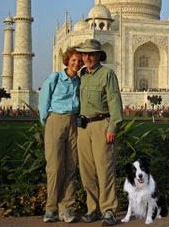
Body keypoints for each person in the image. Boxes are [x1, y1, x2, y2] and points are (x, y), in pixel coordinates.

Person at [76, 39, 123, 226]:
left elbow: (114, 100)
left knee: (105, 170)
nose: (87, 57)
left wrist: (112, 127)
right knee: (87, 172)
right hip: (83, 127)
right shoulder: (82, 75)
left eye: (91, 54)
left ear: (98, 56)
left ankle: (109, 210)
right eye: (84, 54)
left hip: (101, 125)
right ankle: (92, 209)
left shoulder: (107, 74)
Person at [38, 47, 83, 223]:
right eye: (73, 60)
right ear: (67, 60)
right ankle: (50, 209)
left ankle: (66, 209)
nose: (76, 63)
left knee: (71, 167)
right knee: (55, 168)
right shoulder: (54, 78)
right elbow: (44, 103)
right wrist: (48, 122)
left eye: (79, 61)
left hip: (74, 122)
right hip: (55, 121)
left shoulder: (79, 81)